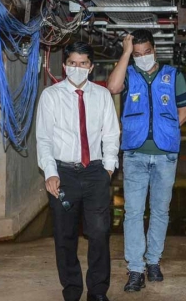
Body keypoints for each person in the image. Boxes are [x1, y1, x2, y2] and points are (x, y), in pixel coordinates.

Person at [107, 29, 186, 292]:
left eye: (146, 53)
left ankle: (153, 261)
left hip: (165, 155)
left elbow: (184, 110)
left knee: (160, 210)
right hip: (134, 154)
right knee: (132, 213)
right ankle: (135, 269)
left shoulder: (173, 75)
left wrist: (166, 133)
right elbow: (112, 87)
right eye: (138, 54)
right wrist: (126, 52)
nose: (142, 57)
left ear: (155, 50)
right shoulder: (129, 74)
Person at [36, 41, 120, 301]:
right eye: (72, 63)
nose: (77, 68)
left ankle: (97, 292)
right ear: (64, 65)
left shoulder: (102, 95)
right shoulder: (51, 96)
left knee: (98, 233)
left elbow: (111, 134)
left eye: (83, 64)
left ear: (91, 67)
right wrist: (50, 172)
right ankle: (71, 291)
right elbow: (44, 139)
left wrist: (107, 168)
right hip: (63, 174)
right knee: (65, 236)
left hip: (95, 171)